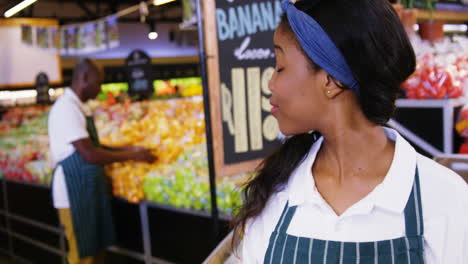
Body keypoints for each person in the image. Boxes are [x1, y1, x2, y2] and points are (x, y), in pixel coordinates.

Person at [233, 0, 468, 263]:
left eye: (280, 67)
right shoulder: (277, 193)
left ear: (332, 81)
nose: (271, 83)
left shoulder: (445, 199)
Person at [48, 58, 156, 264]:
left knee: (95, 251)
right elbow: (90, 155)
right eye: (98, 83)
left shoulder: (77, 106)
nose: (100, 88)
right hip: (73, 193)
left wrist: (129, 149)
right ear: (84, 78)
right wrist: (133, 155)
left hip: (85, 190)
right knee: (83, 255)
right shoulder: (66, 108)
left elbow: (94, 147)